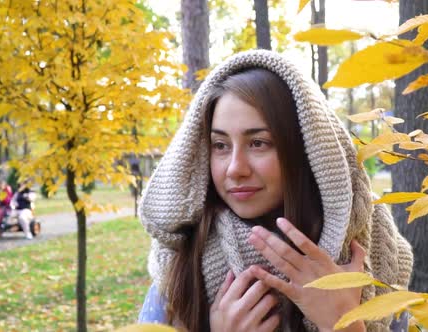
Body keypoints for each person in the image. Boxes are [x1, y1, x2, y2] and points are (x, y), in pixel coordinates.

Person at [138, 50, 413, 331]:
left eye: (258, 143)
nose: (235, 168)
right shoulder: (181, 265)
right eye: (220, 145)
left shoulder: (373, 259)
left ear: (307, 152)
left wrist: (343, 323)